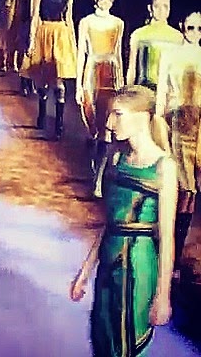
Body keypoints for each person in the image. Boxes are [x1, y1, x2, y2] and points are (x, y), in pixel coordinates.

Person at [70, 85, 177, 357]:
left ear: (142, 117)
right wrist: (84, 273)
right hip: (108, 262)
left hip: (140, 266)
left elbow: (167, 236)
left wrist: (163, 295)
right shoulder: (116, 159)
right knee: (103, 338)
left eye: (118, 114)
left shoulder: (164, 167)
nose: (109, 123)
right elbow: (109, 223)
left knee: (128, 342)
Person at [156, 11, 201, 281]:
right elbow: (162, 94)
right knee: (182, 188)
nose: (194, 32)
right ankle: (169, 253)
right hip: (178, 124)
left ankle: (177, 253)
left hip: (199, 126)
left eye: (199, 28)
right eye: (191, 27)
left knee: (192, 191)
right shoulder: (170, 54)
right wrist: (159, 125)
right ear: (182, 26)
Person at [21, 0, 77, 139]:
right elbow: (35, 16)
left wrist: (73, 43)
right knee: (42, 80)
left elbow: (69, 18)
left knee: (59, 81)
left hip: (60, 36)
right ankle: (42, 112)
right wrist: (31, 40)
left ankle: (59, 123)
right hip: (44, 32)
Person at [76, 0, 124, 172]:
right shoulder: (86, 22)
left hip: (110, 74)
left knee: (107, 124)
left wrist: (121, 82)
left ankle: (99, 173)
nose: (106, 2)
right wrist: (79, 86)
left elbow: (118, 54)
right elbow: (81, 53)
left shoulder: (118, 23)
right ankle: (91, 165)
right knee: (91, 119)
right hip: (92, 72)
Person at [5, 0, 47, 96]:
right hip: (20, 15)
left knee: (33, 50)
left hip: (35, 17)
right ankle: (24, 82)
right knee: (23, 48)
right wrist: (8, 12)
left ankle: (31, 82)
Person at [126, 0, 183, 90]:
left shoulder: (178, 37)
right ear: (150, 8)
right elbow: (132, 67)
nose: (161, 10)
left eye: (165, 6)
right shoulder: (138, 34)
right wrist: (129, 89)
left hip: (169, 91)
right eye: (157, 6)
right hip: (144, 90)